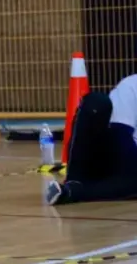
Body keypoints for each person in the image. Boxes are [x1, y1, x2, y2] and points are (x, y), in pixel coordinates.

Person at [47, 75, 137, 205]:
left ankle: (72, 192)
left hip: (128, 176)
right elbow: (121, 135)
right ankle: (74, 180)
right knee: (97, 102)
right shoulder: (131, 86)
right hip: (109, 154)